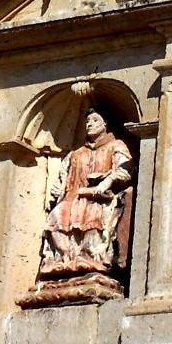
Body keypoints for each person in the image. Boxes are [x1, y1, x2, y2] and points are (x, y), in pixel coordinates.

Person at [40, 107, 133, 277]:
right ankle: (64, 259)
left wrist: (108, 180)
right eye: (87, 121)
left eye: (95, 120)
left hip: (100, 199)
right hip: (73, 198)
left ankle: (91, 258)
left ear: (105, 124)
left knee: (93, 215)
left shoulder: (115, 146)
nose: (89, 124)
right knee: (56, 216)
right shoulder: (76, 154)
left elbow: (126, 170)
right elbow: (63, 178)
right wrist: (58, 189)